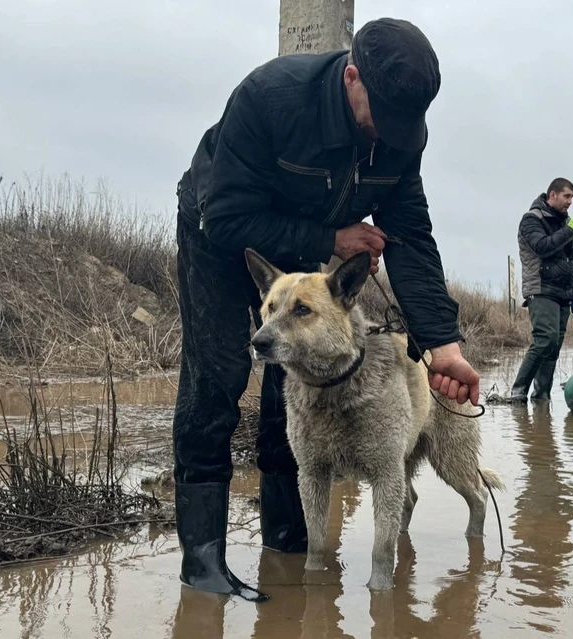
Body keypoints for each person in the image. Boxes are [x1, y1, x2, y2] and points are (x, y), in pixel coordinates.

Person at [172, 17, 480, 602]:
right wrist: (331, 239)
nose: (387, 134)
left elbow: (410, 239)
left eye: (403, 125)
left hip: (306, 235)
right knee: (217, 374)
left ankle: (287, 544)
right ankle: (203, 562)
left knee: (290, 384)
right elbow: (228, 218)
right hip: (219, 226)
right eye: (381, 117)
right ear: (352, 76)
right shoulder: (270, 98)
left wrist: (445, 346)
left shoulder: (399, 136)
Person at [509, 178, 573, 403]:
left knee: (554, 347)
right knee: (545, 338)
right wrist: (569, 230)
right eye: (567, 196)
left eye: (572, 197)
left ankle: (541, 397)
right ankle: (518, 391)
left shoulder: (566, 224)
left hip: (563, 292)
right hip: (541, 289)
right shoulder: (531, 219)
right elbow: (543, 247)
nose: (570, 202)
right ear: (552, 195)